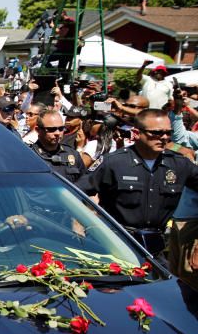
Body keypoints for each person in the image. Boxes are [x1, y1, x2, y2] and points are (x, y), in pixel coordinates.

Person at [77, 109, 198, 255]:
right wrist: (85, 226)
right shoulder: (113, 162)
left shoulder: (179, 164)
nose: (164, 137)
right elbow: (76, 194)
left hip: (156, 248)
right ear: (136, 133)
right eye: (157, 133)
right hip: (115, 243)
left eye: (168, 133)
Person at [30, 110, 86, 183]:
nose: (57, 133)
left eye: (61, 129)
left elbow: (84, 184)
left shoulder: (73, 154)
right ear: (38, 130)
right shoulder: (29, 155)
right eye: (51, 129)